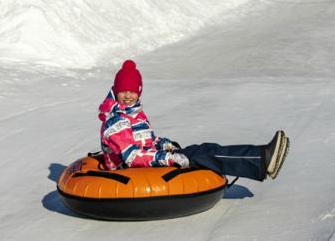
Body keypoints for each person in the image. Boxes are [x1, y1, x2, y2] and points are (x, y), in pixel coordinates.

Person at [98, 60, 289, 181]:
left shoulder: (134, 114)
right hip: (128, 172)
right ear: (116, 91)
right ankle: (261, 160)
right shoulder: (116, 121)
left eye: (133, 91)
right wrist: (168, 158)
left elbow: (146, 141)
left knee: (204, 148)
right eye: (124, 91)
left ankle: (261, 159)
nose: (128, 96)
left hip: (148, 162)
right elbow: (131, 156)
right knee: (201, 156)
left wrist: (163, 144)